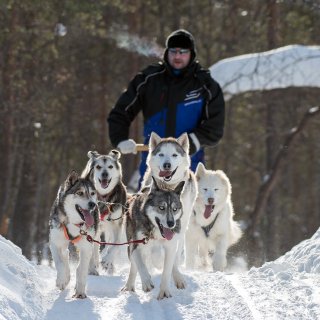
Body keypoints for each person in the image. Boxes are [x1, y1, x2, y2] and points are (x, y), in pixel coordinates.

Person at [107, 29, 225, 184]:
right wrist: (120, 139)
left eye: (183, 52)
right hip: (154, 163)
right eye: (173, 51)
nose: (177, 56)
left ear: (191, 54)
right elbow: (121, 112)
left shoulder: (205, 85)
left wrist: (193, 142)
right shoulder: (148, 79)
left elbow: (215, 127)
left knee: (188, 205)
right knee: (148, 205)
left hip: (190, 163)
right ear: (166, 52)